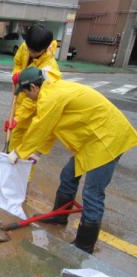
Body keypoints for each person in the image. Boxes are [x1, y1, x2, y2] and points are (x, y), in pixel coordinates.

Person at [8, 67, 137, 254]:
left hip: (108, 140)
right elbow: (51, 128)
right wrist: (38, 153)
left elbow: (40, 127)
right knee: (68, 175)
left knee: (93, 193)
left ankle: (84, 246)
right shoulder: (51, 91)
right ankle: (59, 217)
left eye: (26, 94)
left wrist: (18, 153)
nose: (27, 98)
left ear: (33, 87)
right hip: (92, 141)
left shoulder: (50, 97)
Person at [7, 24, 61, 156]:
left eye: (34, 52)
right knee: (14, 137)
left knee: (26, 144)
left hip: (32, 110)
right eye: (28, 48)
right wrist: (17, 74)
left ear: (44, 48)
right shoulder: (27, 45)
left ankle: (22, 172)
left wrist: (17, 118)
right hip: (20, 99)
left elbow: (35, 100)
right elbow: (18, 62)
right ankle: (9, 164)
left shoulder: (48, 70)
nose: (29, 52)